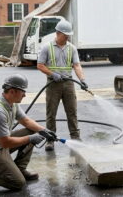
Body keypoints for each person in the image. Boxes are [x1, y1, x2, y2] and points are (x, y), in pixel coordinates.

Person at [0, 74, 57, 192]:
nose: (24, 94)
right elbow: (5, 142)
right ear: (12, 91)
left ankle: (20, 169)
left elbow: (26, 121)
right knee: (18, 183)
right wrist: (30, 138)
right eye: (22, 91)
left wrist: (44, 131)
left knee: (33, 130)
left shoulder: (12, 104)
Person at [37, 19, 88, 151]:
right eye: (65, 35)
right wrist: (52, 74)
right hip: (53, 84)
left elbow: (76, 65)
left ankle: (76, 137)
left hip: (68, 84)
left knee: (72, 112)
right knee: (51, 113)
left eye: (68, 35)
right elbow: (40, 65)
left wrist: (82, 80)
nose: (67, 37)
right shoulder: (47, 47)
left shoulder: (72, 48)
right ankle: (50, 140)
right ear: (57, 33)